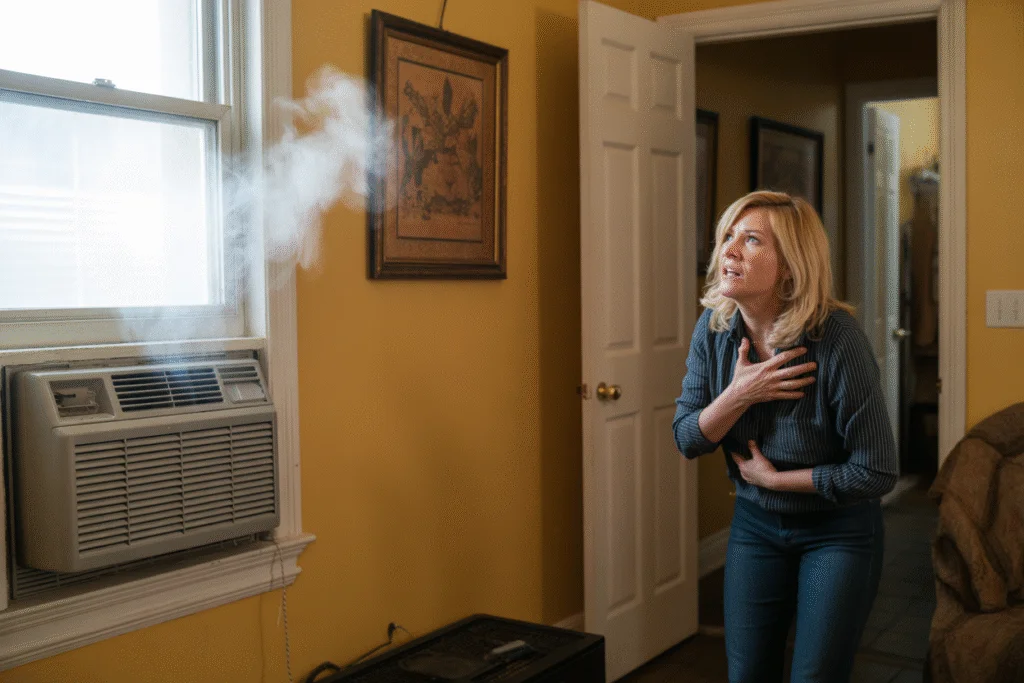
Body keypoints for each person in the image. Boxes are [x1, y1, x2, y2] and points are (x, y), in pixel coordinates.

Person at [673, 190, 898, 683]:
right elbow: (688, 438)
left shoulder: (836, 339)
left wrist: (777, 481)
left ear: (791, 268)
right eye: (728, 236)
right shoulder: (713, 331)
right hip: (755, 528)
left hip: (837, 533)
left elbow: (877, 471)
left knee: (815, 676)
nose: (729, 250)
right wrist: (739, 394)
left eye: (750, 240)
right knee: (747, 673)